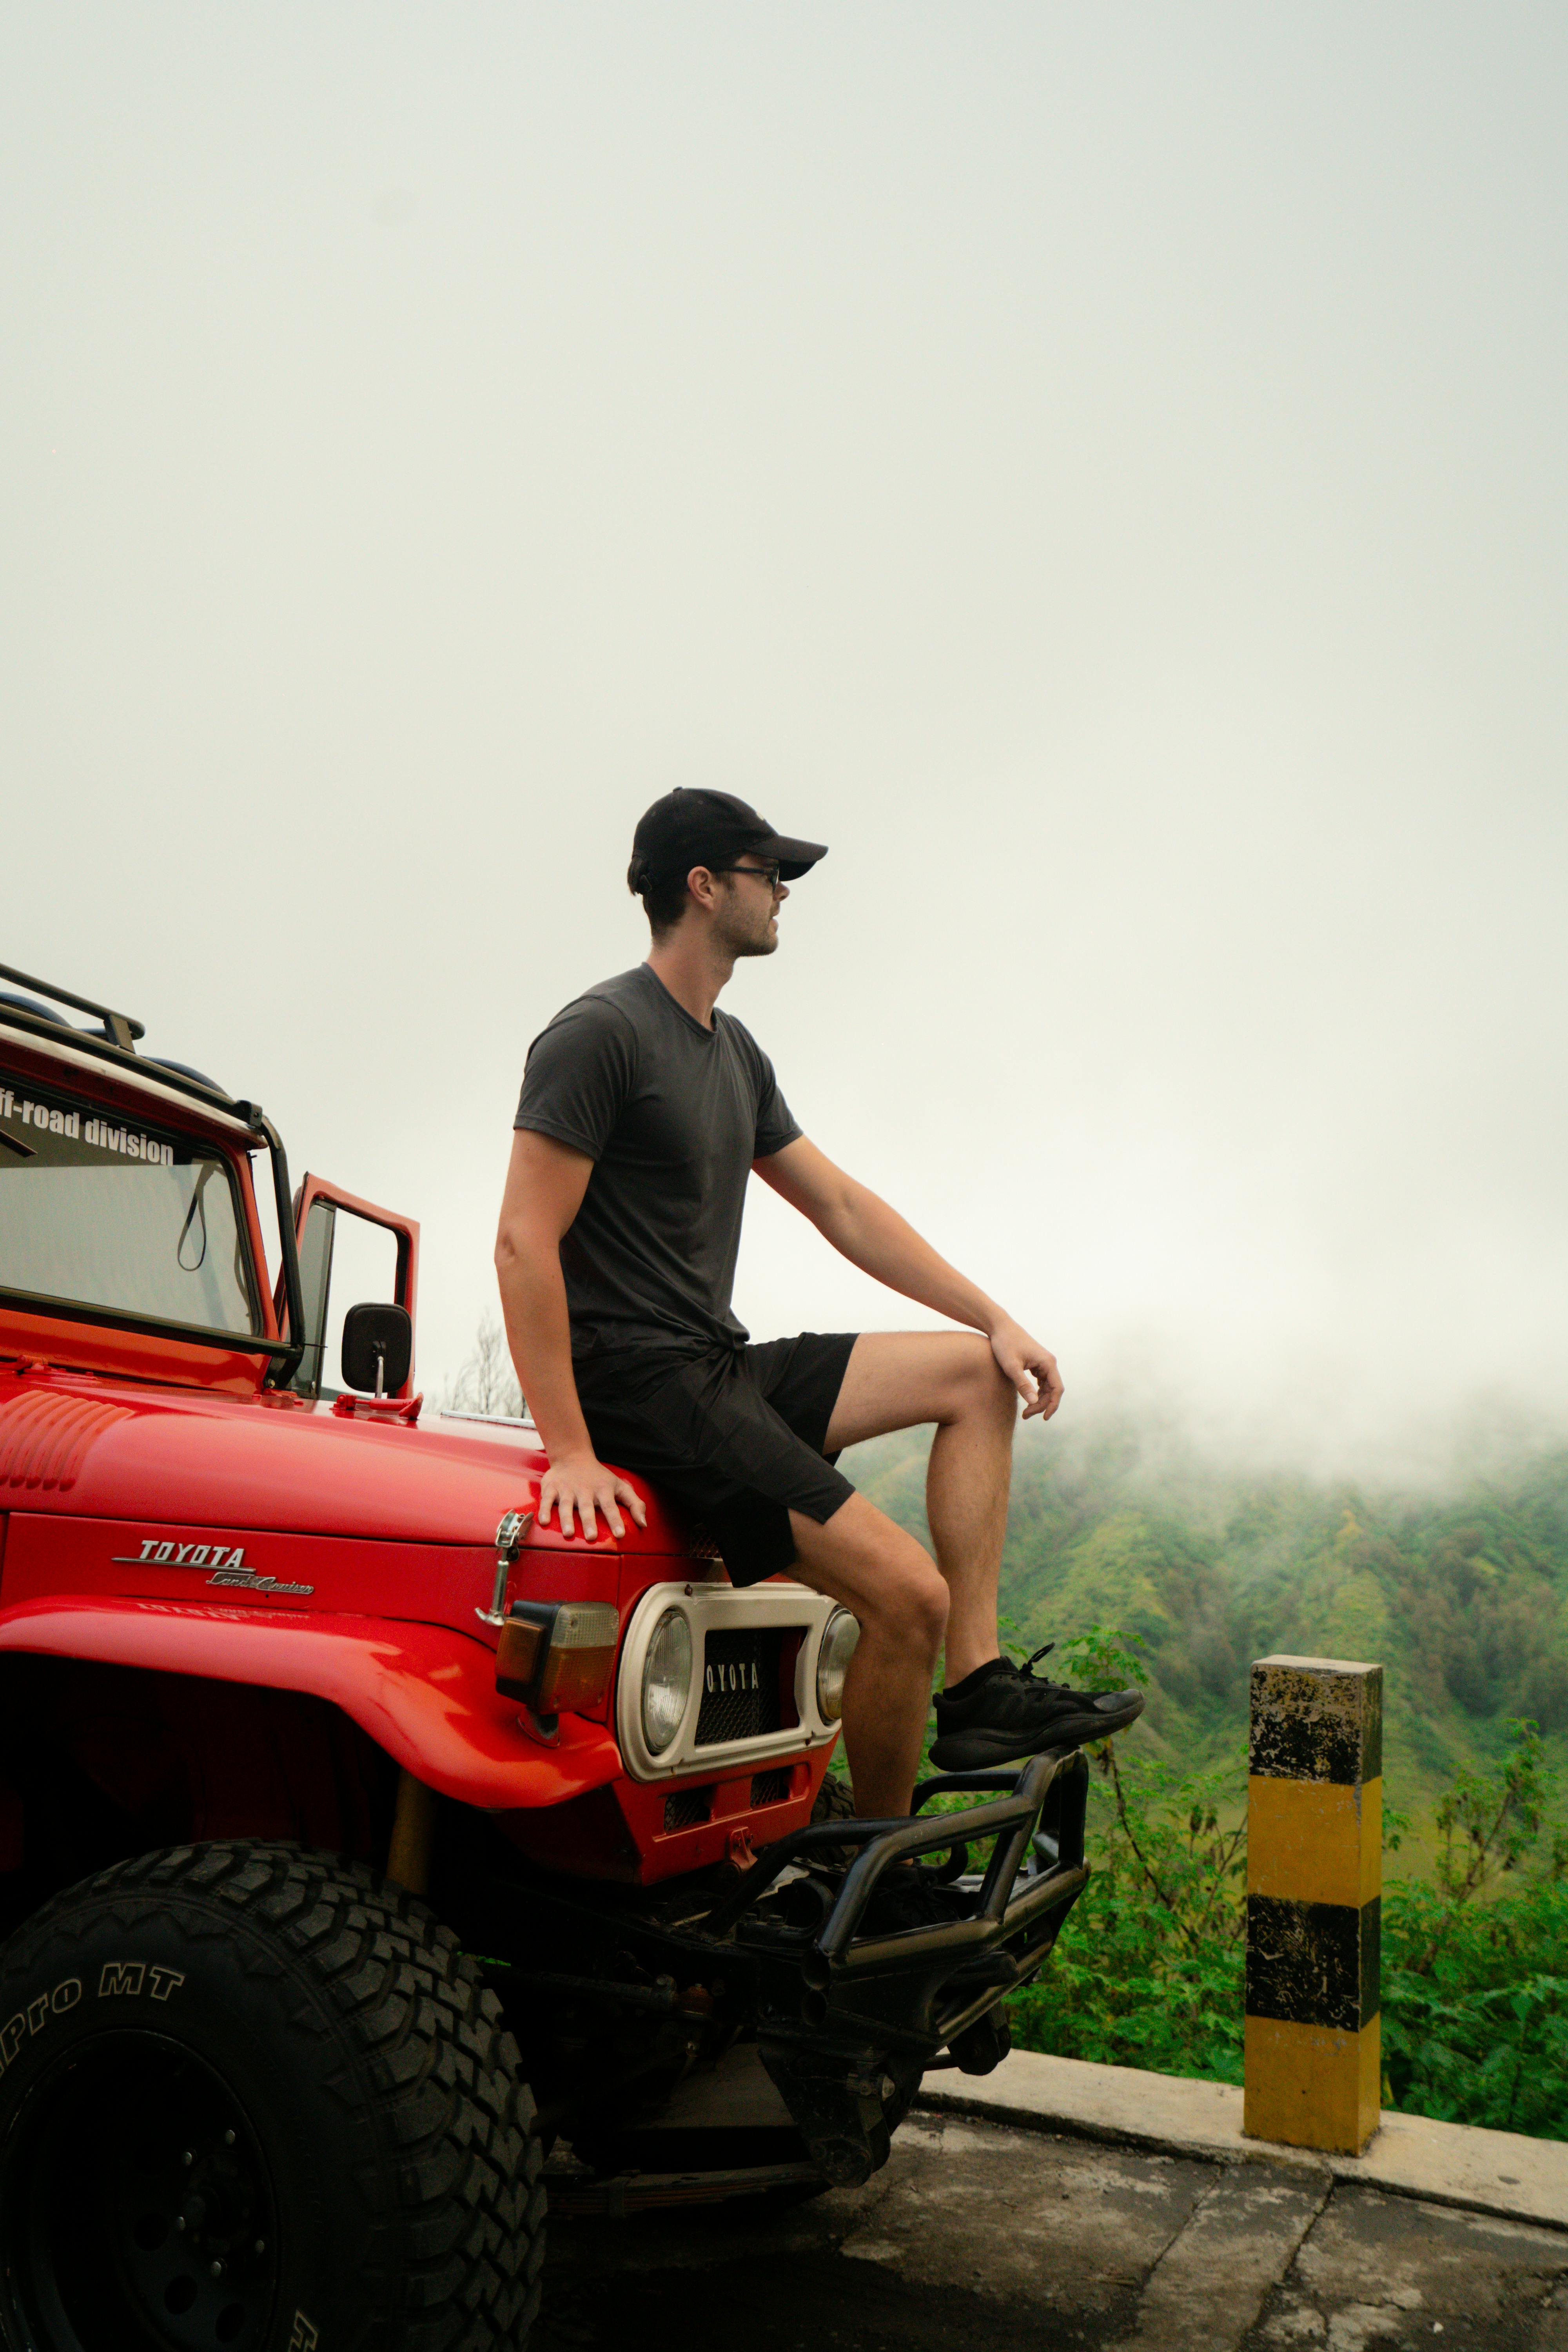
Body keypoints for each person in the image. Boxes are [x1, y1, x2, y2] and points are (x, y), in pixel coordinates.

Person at [494, 788, 1142, 1823]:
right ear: (706, 888)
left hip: (712, 1364)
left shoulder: (732, 1051)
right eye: (769, 872)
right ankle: (876, 1865)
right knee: (905, 1595)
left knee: (979, 1377)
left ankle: (977, 1687)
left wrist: (996, 1317)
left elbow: (839, 1204)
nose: (785, 890)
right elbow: (524, 1239)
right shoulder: (600, 1034)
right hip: (644, 1388)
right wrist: (568, 1446)